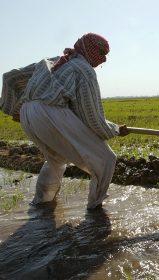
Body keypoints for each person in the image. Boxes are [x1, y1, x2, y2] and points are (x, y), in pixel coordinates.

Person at [0, 32, 129, 209]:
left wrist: (16, 110)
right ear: (89, 50)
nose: (104, 60)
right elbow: (90, 116)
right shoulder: (84, 70)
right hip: (49, 113)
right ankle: (95, 208)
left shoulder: (51, 61)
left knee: (56, 159)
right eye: (101, 53)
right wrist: (114, 130)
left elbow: (10, 77)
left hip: (29, 113)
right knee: (106, 158)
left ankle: (42, 203)